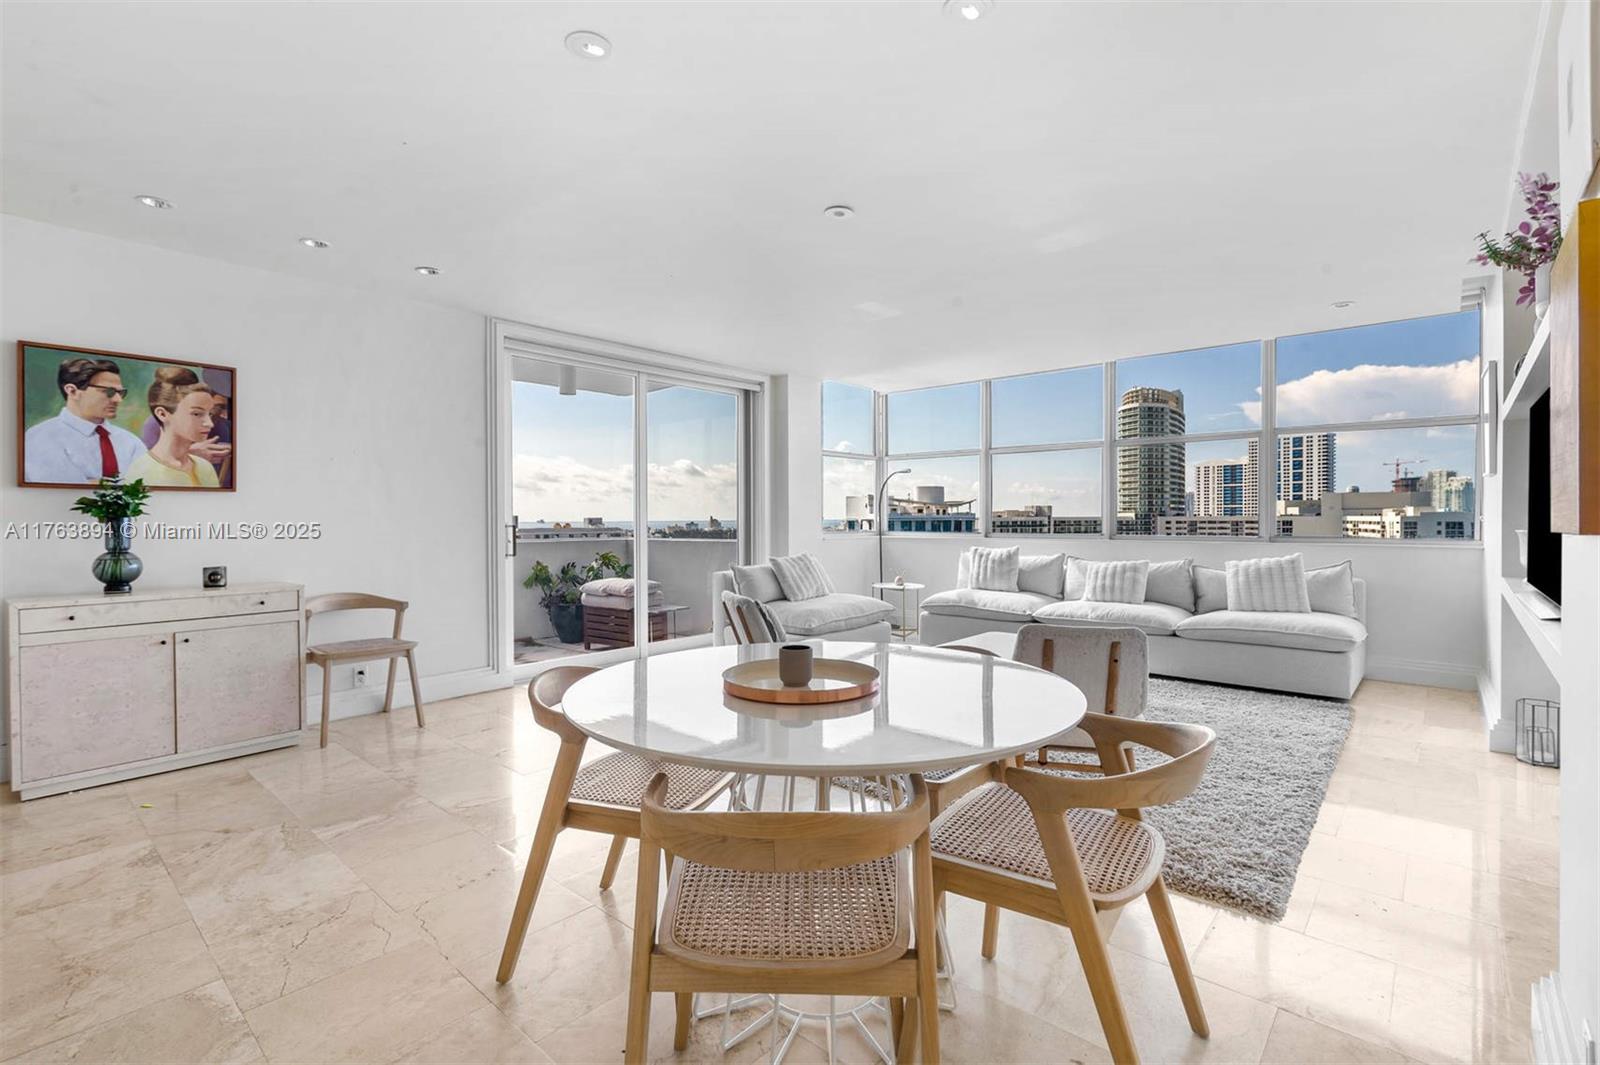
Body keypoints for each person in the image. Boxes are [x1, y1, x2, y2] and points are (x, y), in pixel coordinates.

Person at [23, 357, 148, 484]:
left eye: (120, 392)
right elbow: (61, 491)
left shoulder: (131, 442)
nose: (118, 399)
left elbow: (145, 487)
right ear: (72, 391)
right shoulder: (40, 437)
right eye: (108, 391)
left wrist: (92, 482)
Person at [125, 371, 224, 488]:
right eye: (197, 414)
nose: (209, 423)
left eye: (210, 414)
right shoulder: (141, 471)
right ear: (162, 414)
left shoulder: (205, 467)